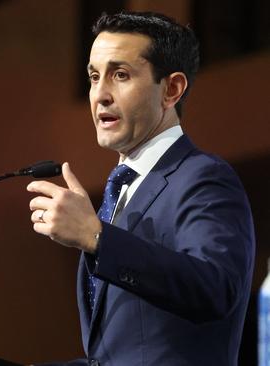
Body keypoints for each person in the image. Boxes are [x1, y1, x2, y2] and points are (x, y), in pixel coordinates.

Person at [27, 11, 255, 365]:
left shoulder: (203, 177)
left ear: (172, 89)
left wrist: (97, 238)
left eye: (120, 75)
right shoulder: (120, 192)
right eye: (93, 77)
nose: (100, 94)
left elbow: (215, 289)